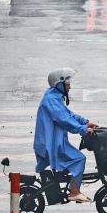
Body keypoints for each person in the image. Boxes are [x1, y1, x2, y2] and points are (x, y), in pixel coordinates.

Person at [33, 68, 98, 203]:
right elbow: (63, 119)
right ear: (59, 83)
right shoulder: (51, 100)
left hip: (54, 142)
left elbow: (69, 114)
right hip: (50, 144)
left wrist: (85, 122)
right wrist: (82, 130)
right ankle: (74, 192)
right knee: (79, 159)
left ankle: (69, 187)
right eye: (67, 83)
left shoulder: (54, 97)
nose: (70, 86)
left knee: (71, 162)